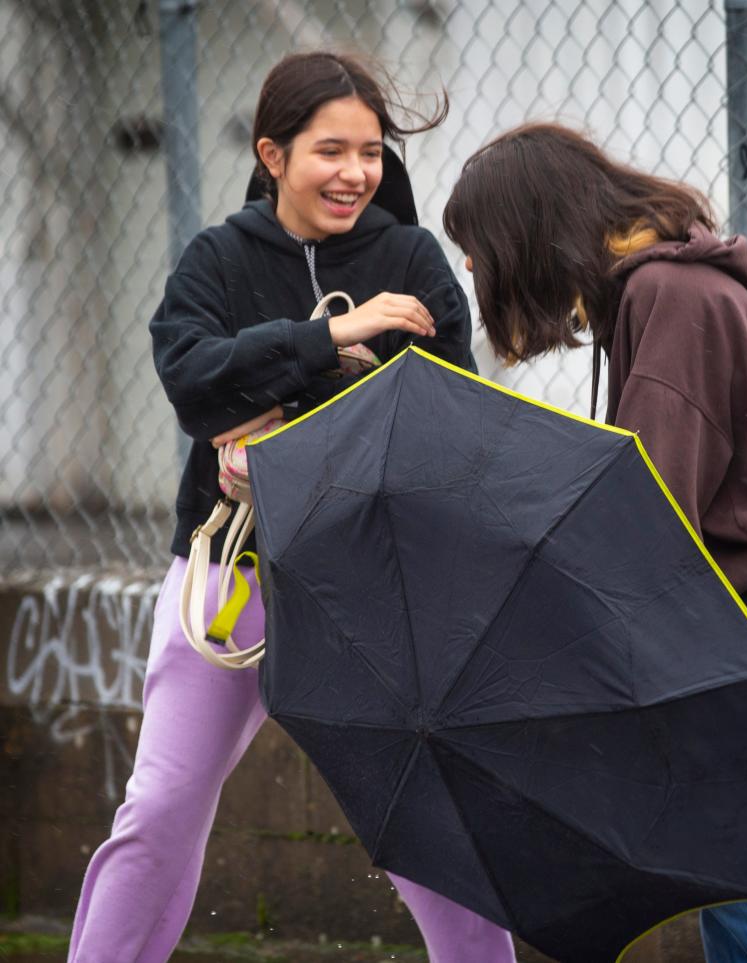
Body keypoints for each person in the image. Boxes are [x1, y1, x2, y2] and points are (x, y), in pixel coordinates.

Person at [68, 50, 516, 963]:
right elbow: (192, 380)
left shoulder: (412, 259)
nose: (356, 173)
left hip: (373, 589)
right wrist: (331, 336)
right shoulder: (218, 258)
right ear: (272, 154)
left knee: (429, 824)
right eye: (330, 151)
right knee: (158, 811)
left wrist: (287, 444)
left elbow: (447, 422)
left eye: (372, 151)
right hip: (231, 584)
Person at [442, 123, 747, 962]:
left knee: (702, 840)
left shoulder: (667, 296)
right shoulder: (652, 292)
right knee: (714, 841)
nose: (473, 268)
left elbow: (649, 519)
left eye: (478, 247)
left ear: (529, 230)